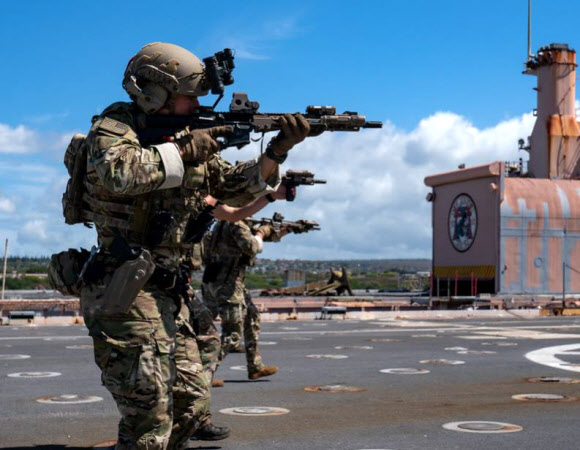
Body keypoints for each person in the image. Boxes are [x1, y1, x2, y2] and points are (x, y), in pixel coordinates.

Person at [76, 42, 310, 449]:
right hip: (126, 286)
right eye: (188, 97)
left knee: (190, 408)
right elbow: (119, 174)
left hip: (171, 287)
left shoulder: (183, 136)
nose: (194, 106)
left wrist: (277, 150)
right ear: (154, 92)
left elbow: (234, 187)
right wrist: (184, 149)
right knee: (149, 420)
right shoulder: (116, 127)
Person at [202, 219, 290, 380]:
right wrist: (261, 233)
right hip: (228, 285)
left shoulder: (221, 224)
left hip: (217, 280)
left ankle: (255, 365)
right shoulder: (237, 224)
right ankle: (204, 374)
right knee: (232, 334)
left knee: (252, 315)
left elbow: (254, 239)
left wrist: (282, 231)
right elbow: (252, 247)